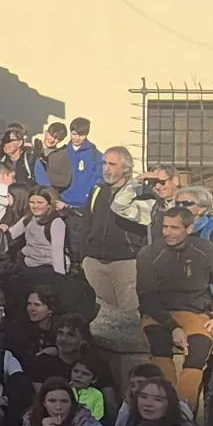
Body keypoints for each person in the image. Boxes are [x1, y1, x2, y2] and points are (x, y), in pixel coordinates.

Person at [138, 204, 213, 407]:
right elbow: (146, 297)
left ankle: (184, 409)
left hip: (195, 314)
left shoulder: (204, 250)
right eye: (165, 227)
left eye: (175, 228)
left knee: (198, 352)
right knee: (160, 348)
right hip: (159, 314)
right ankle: (166, 404)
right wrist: (173, 327)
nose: (168, 233)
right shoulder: (148, 253)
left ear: (188, 229)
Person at [78, 146, 151, 347]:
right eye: (104, 163)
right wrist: (84, 254)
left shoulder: (139, 194)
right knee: (101, 314)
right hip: (95, 261)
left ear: (126, 168)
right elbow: (86, 224)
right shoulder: (97, 190)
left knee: (129, 314)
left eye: (112, 164)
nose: (107, 169)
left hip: (126, 262)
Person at [35, 117, 104, 209]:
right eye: (74, 134)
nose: (77, 138)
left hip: (84, 206)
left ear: (87, 134)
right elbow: (45, 174)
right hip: (61, 203)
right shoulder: (60, 153)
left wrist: (89, 197)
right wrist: (53, 198)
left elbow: (99, 180)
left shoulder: (96, 155)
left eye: (81, 135)